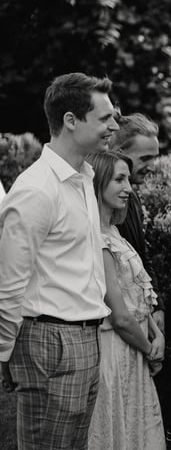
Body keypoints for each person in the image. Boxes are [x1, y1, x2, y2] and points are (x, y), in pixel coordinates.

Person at [0, 73, 117, 450]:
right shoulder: (37, 189)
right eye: (105, 118)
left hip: (86, 337)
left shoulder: (84, 179)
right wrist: (4, 353)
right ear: (71, 120)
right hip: (49, 342)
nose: (114, 126)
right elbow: (8, 283)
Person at [86, 151, 166, 450]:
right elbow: (118, 315)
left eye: (128, 180)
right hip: (115, 351)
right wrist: (150, 351)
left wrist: (157, 334)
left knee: (137, 431)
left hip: (134, 347)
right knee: (119, 432)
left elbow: (138, 296)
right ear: (98, 182)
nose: (128, 188)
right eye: (119, 180)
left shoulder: (115, 231)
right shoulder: (97, 239)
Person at [109, 113, 165, 333]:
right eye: (145, 158)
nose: (152, 166)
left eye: (154, 158)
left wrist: (157, 305)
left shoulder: (132, 197)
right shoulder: (101, 201)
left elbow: (141, 254)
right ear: (118, 153)